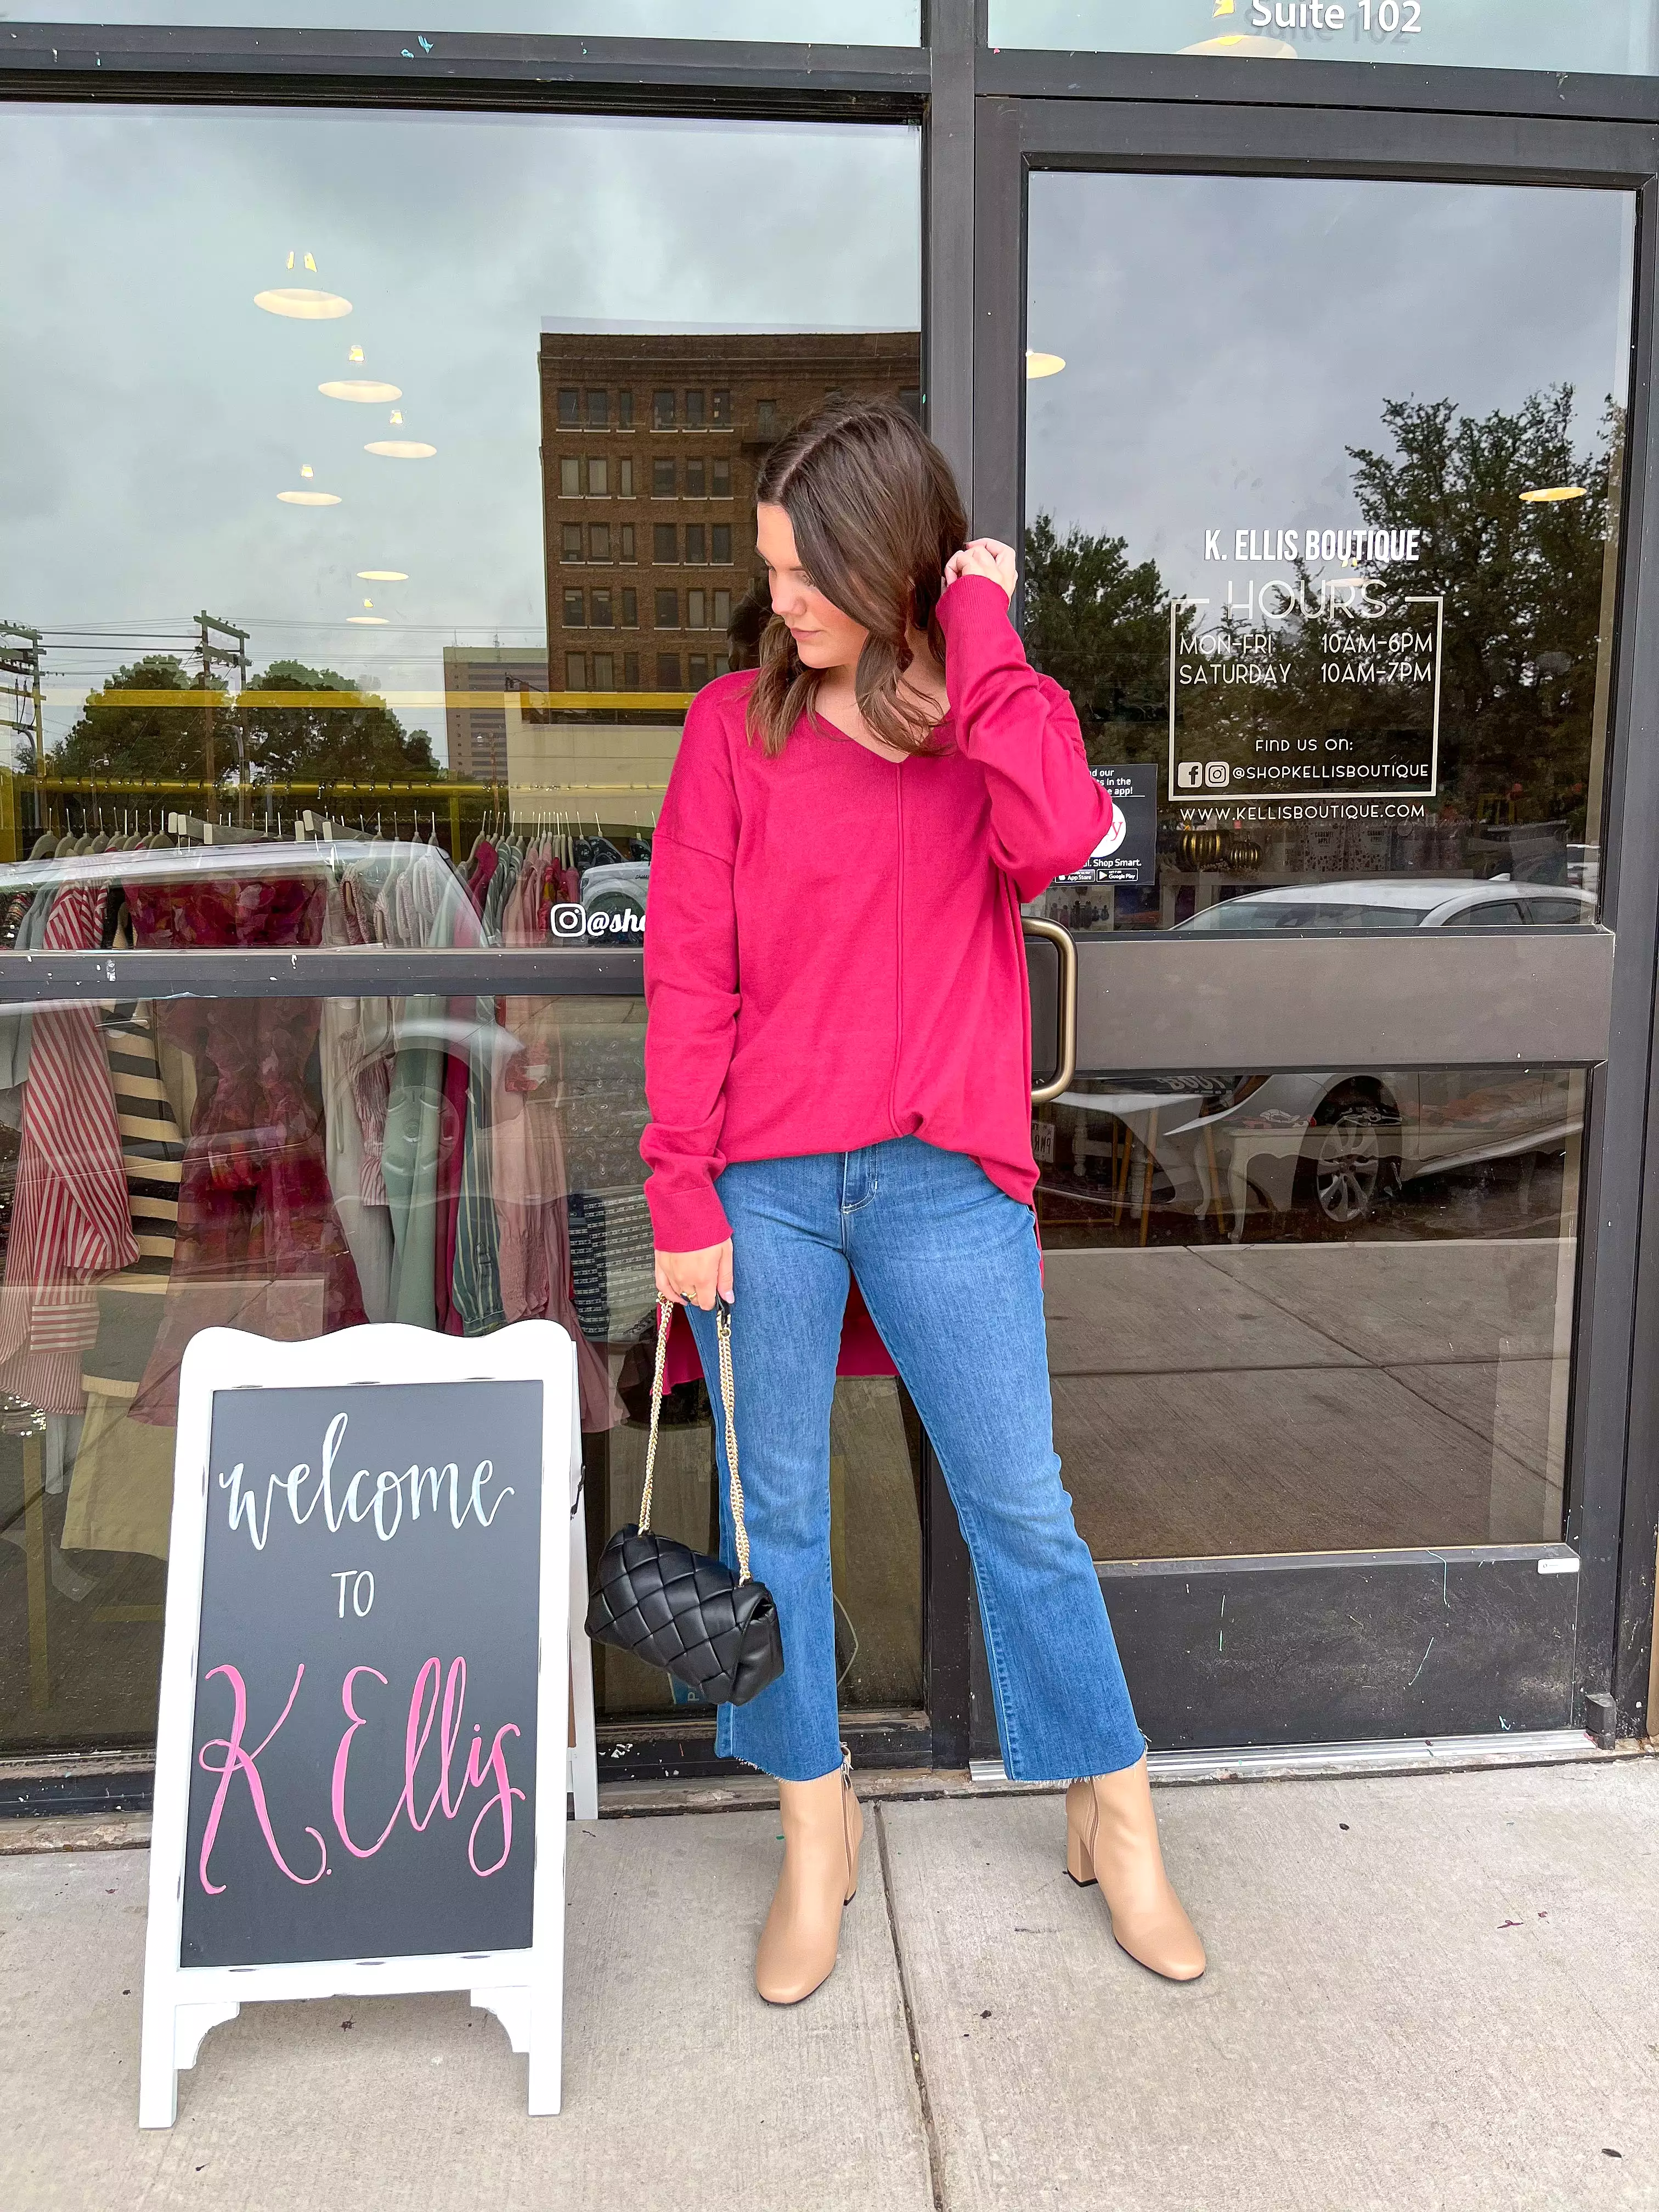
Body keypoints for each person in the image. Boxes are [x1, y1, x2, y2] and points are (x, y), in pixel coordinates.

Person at [641, 398, 1205, 2005]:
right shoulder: (727, 734)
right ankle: (815, 1829)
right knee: (787, 1518)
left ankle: (1117, 1801)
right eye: (772, 573)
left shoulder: (981, 724)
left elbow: (1071, 831)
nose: (782, 606)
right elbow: (688, 976)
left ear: (889, 568)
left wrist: (980, 621)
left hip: (945, 1176)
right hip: (766, 1186)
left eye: (809, 575)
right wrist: (683, 1190)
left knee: (1020, 1504)